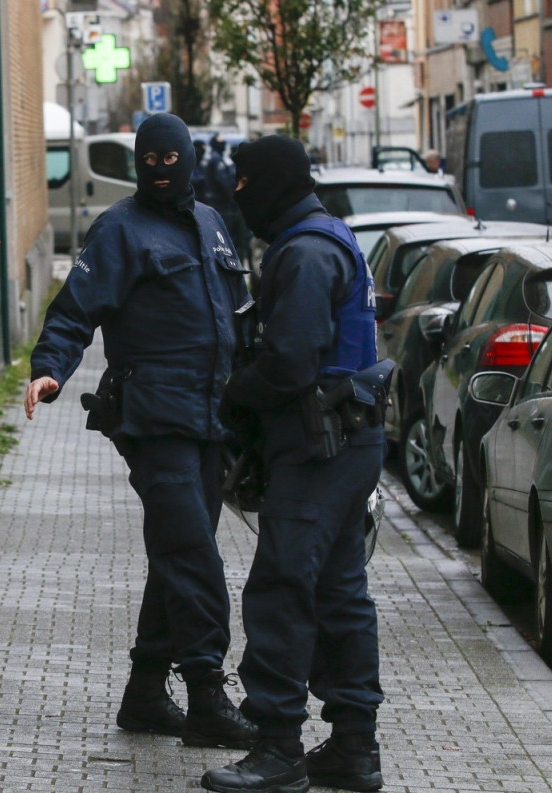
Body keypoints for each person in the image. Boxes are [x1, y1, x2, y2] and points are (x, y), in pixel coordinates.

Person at [25, 112, 257, 750]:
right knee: (193, 556)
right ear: (137, 161)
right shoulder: (119, 231)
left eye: (170, 158)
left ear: (185, 159)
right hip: (155, 423)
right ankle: (208, 693)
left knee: (177, 555)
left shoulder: (211, 225)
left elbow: (235, 317)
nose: (160, 169)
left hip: (211, 423)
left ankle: (146, 692)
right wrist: (49, 372)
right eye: (149, 159)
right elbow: (75, 311)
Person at [201, 135, 388, 793]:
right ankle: (354, 748)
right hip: (347, 441)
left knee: (281, 586)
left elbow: (290, 361)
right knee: (340, 593)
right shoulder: (325, 234)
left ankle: (277, 745)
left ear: (271, 183)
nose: (239, 196)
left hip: (318, 447)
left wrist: (230, 390)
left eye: (246, 184)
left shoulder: (306, 254)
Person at [205, 133, 251, 266]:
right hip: (223, 206)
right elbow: (223, 182)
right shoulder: (216, 160)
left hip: (222, 205)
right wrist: (232, 196)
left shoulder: (218, 159)